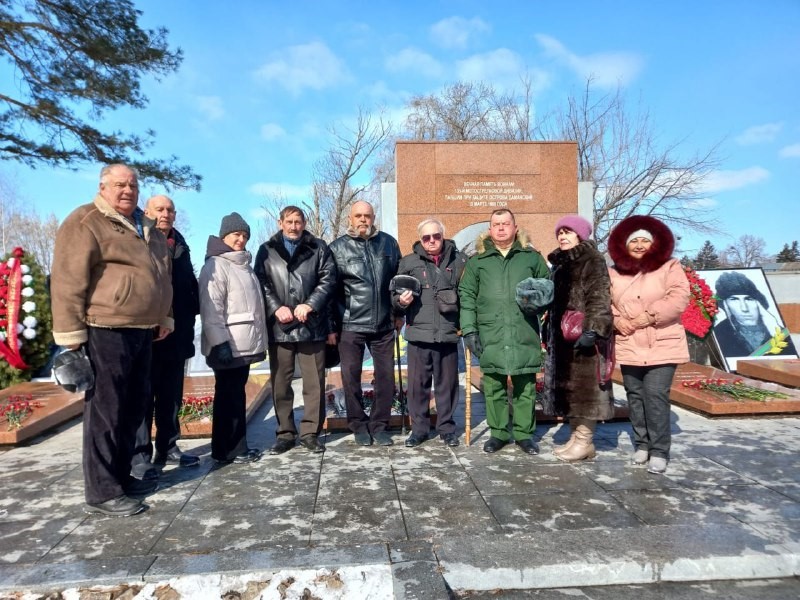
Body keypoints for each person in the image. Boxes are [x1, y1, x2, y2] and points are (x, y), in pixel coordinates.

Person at [51, 164, 173, 517]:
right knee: (106, 410)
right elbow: (67, 279)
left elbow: (161, 278)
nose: (127, 191)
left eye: (133, 185)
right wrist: (71, 337)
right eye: (120, 185)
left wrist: (164, 316)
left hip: (142, 328)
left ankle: (122, 477)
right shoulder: (86, 221)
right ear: (103, 186)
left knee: (134, 407)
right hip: (105, 327)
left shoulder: (146, 226)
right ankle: (103, 491)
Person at [459, 209, 551, 454]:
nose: (501, 228)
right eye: (496, 224)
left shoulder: (531, 258)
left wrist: (540, 304)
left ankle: (524, 435)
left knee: (525, 386)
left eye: (505, 223)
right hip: (491, 333)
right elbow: (466, 296)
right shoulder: (477, 261)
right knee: (494, 385)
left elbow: (548, 286)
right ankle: (498, 433)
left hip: (523, 330)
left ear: (515, 227)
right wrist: (469, 330)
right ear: (489, 230)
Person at [608, 214, 690, 474]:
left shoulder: (669, 266)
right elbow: (603, 302)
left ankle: (659, 450)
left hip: (662, 342)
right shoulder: (614, 272)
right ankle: (642, 444)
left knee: (655, 395)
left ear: (655, 243)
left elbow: (679, 297)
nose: (640, 245)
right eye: (635, 241)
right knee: (634, 395)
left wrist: (648, 316)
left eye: (645, 240)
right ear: (625, 244)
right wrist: (616, 320)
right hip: (629, 342)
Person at [254, 205, 337, 455]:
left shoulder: (319, 247)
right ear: (280, 222)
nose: (293, 226)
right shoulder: (266, 250)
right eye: (289, 221)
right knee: (281, 383)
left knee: (314, 382)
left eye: (298, 222)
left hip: (312, 326)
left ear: (304, 223)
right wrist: (275, 307)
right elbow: (260, 281)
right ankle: (285, 433)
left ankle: (311, 432)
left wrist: (310, 304)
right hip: (280, 327)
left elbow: (328, 279)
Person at [131, 195, 200, 476]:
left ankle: (168, 446)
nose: (166, 214)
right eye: (159, 209)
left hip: (178, 330)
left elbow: (186, 282)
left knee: (171, 394)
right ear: (147, 212)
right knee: (143, 394)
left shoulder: (179, 242)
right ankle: (140, 453)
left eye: (170, 209)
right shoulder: (139, 240)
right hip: (148, 331)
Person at [329, 200, 402, 446]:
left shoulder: (389, 243)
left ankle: (380, 425)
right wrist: (332, 326)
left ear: (373, 217)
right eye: (358, 215)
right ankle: (358, 425)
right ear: (350, 218)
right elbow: (330, 291)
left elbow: (397, 282)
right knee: (351, 377)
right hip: (351, 325)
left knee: (386, 378)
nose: (363, 220)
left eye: (367, 216)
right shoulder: (337, 248)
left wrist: (398, 313)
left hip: (383, 324)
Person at [542, 216, 614, 462]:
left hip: (583, 336)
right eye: (560, 232)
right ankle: (575, 438)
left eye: (568, 232)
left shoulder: (592, 260)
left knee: (586, 391)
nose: (562, 236)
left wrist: (592, 330)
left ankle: (584, 441)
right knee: (571, 391)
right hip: (563, 338)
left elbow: (599, 297)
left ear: (580, 235)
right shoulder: (561, 263)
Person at [393, 218, 467, 448]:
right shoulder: (408, 262)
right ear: (420, 239)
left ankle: (446, 428)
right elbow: (393, 294)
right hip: (419, 334)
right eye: (427, 237)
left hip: (447, 332)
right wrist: (400, 302)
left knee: (447, 385)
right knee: (417, 386)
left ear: (443, 236)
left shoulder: (461, 261)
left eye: (436, 236)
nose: (432, 240)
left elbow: (468, 296)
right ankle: (419, 429)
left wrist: (466, 326)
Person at [199, 212, 266, 465]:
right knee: (228, 398)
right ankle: (227, 450)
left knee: (236, 396)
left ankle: (236, 447)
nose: (240, 239)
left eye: (244, 235)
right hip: (227, 345)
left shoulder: (242, 265)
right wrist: (220, 342)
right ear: (224, 235)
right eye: (236, 234)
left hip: (243, 343)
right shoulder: (215, 265)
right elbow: (211, 309)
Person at [712, 271, 797, 358]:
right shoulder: (719, 333)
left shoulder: (776, 330)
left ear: (758, 302)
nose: (744, 308)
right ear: (725, 305)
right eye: (734, 299)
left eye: (749, 299)